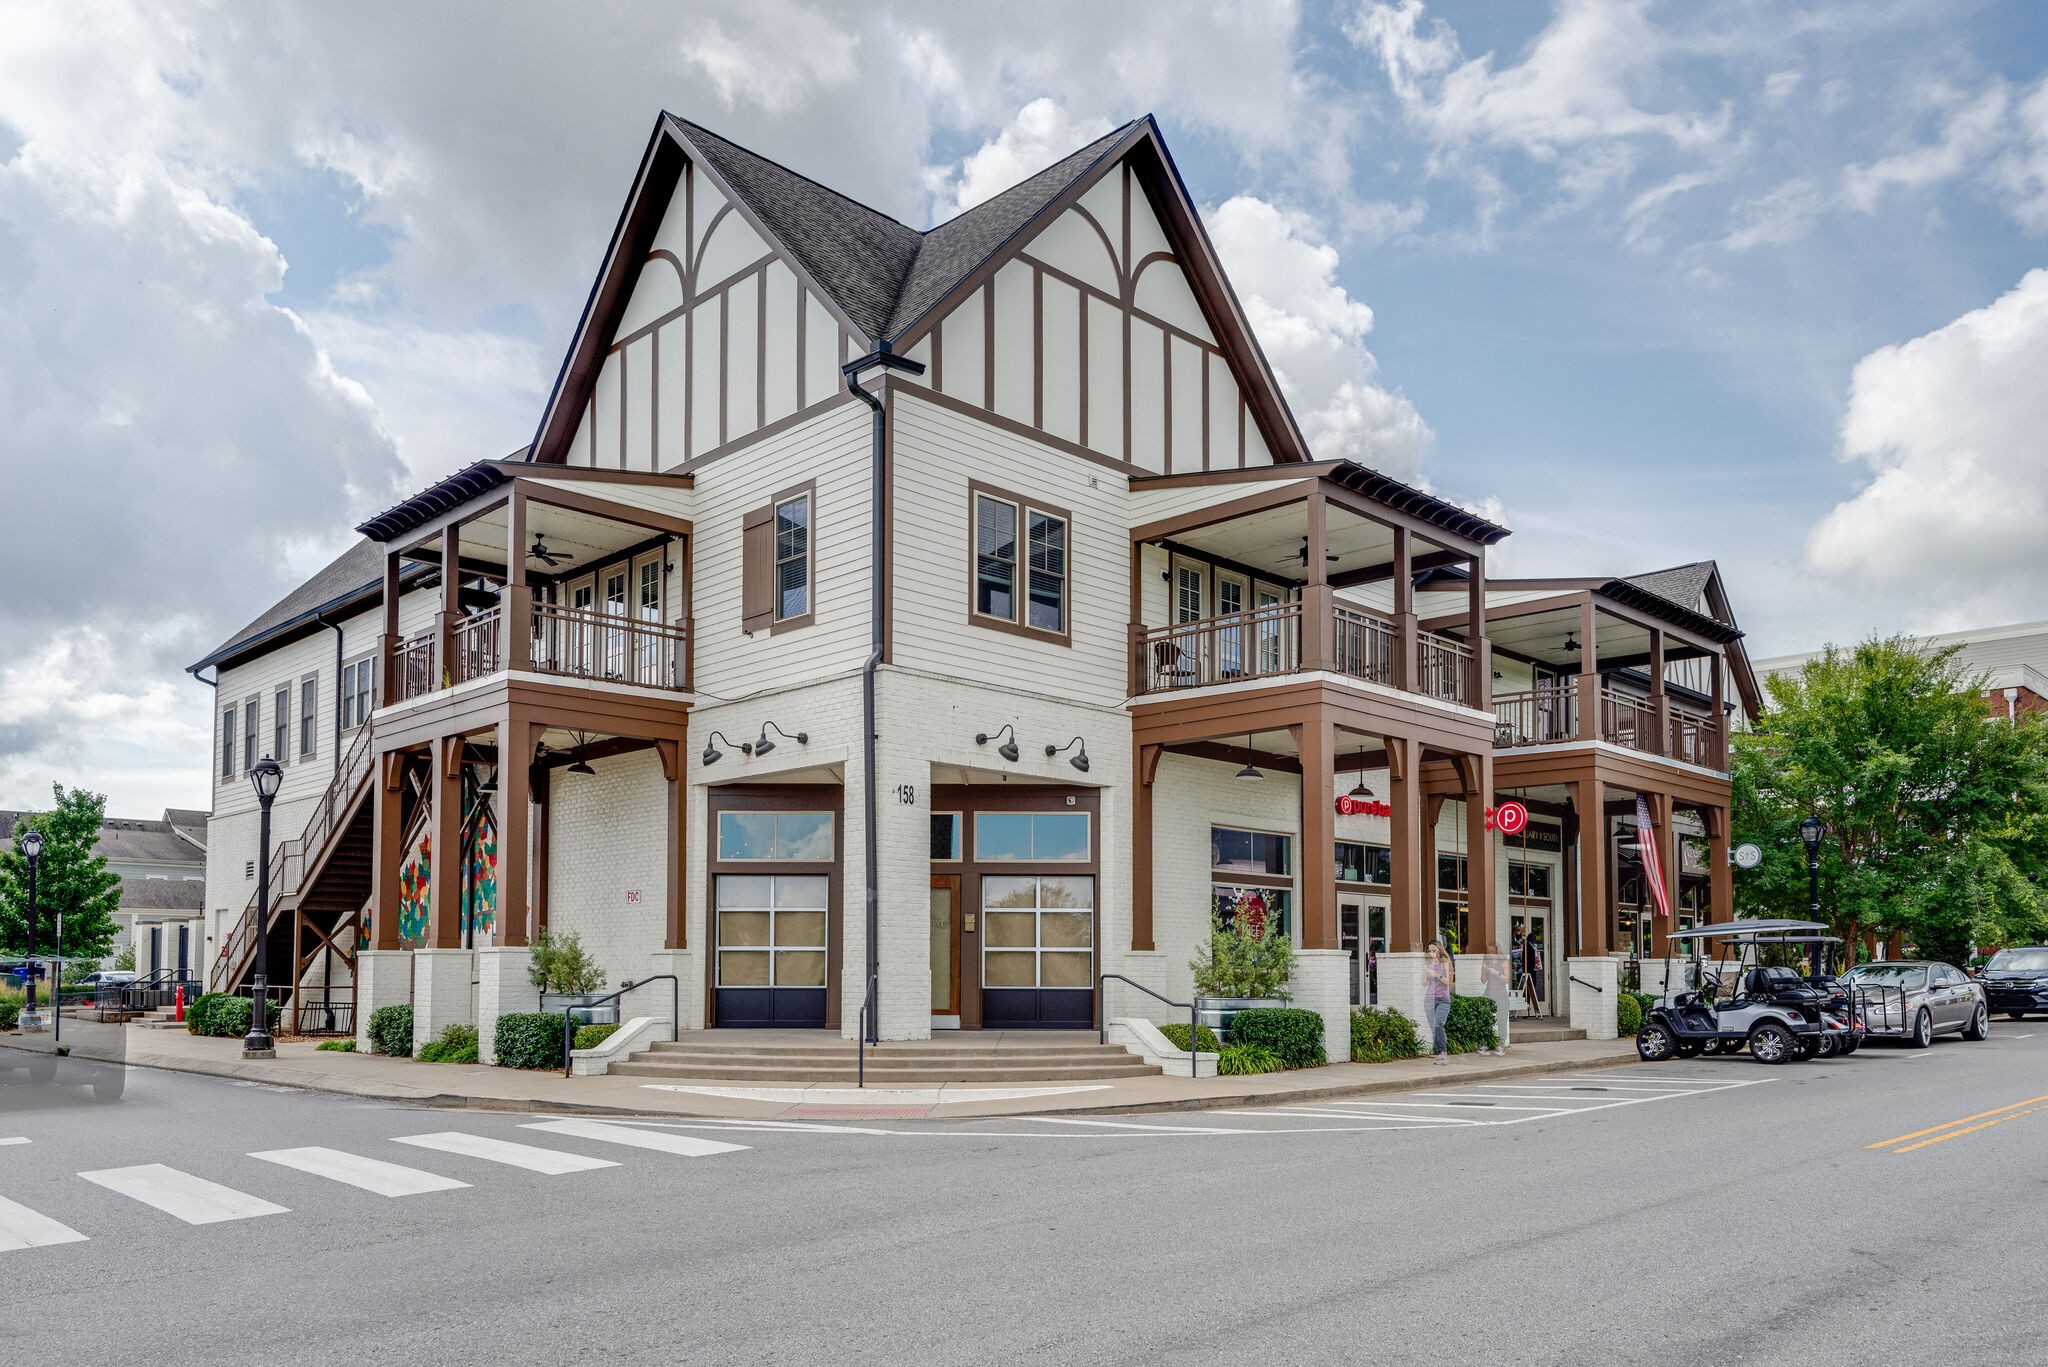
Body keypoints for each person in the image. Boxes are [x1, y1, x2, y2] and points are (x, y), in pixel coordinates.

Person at [1424, 939, 1454, 1064]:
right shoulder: (1427, 964)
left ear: (1439, 950)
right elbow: (1424, 983)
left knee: (1438, 1024)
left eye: (1434, 950)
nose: (1431, 953)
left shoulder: (1445, 963)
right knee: (1433, 1028)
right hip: (1429, 999)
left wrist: (1436, 974)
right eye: (1429, 951)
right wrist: (1424, 973)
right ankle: (1439, 1053)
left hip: (1443, 1000)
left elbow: (1449, 982)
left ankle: (1443, 1052)